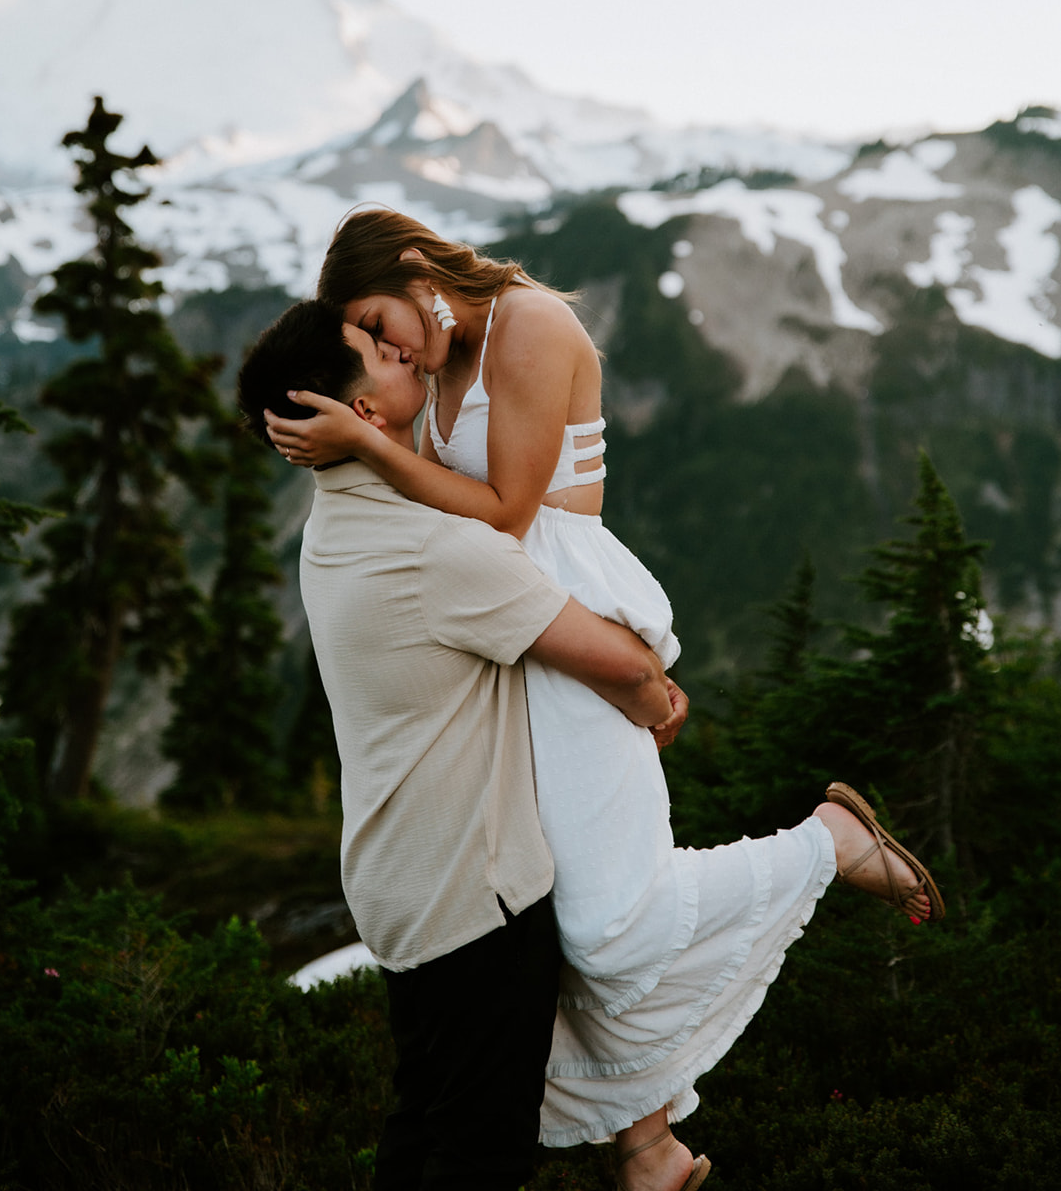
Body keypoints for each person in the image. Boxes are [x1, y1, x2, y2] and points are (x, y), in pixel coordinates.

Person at [262, 212, 943, 1191]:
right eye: (368, 345)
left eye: (377, 322)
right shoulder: (439, 357)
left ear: (415, 270)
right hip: (503, 643)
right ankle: (650, 1147)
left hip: (567, 622)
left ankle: (827, 843)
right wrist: (361, 433)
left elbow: (504, 512)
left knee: (603, 922)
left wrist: (367, 449)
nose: (387, 349)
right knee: (571, 914)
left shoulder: (530, 326)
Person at [238, 299, 682, 1191]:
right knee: (479, 1156)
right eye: (377, 349)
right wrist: (659, 699)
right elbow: (625, 666)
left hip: (395, 885)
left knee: (422, 1131)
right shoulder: (433, 549)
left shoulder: (332, 530)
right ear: (357, 412)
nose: (406, 350)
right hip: (473, 898)